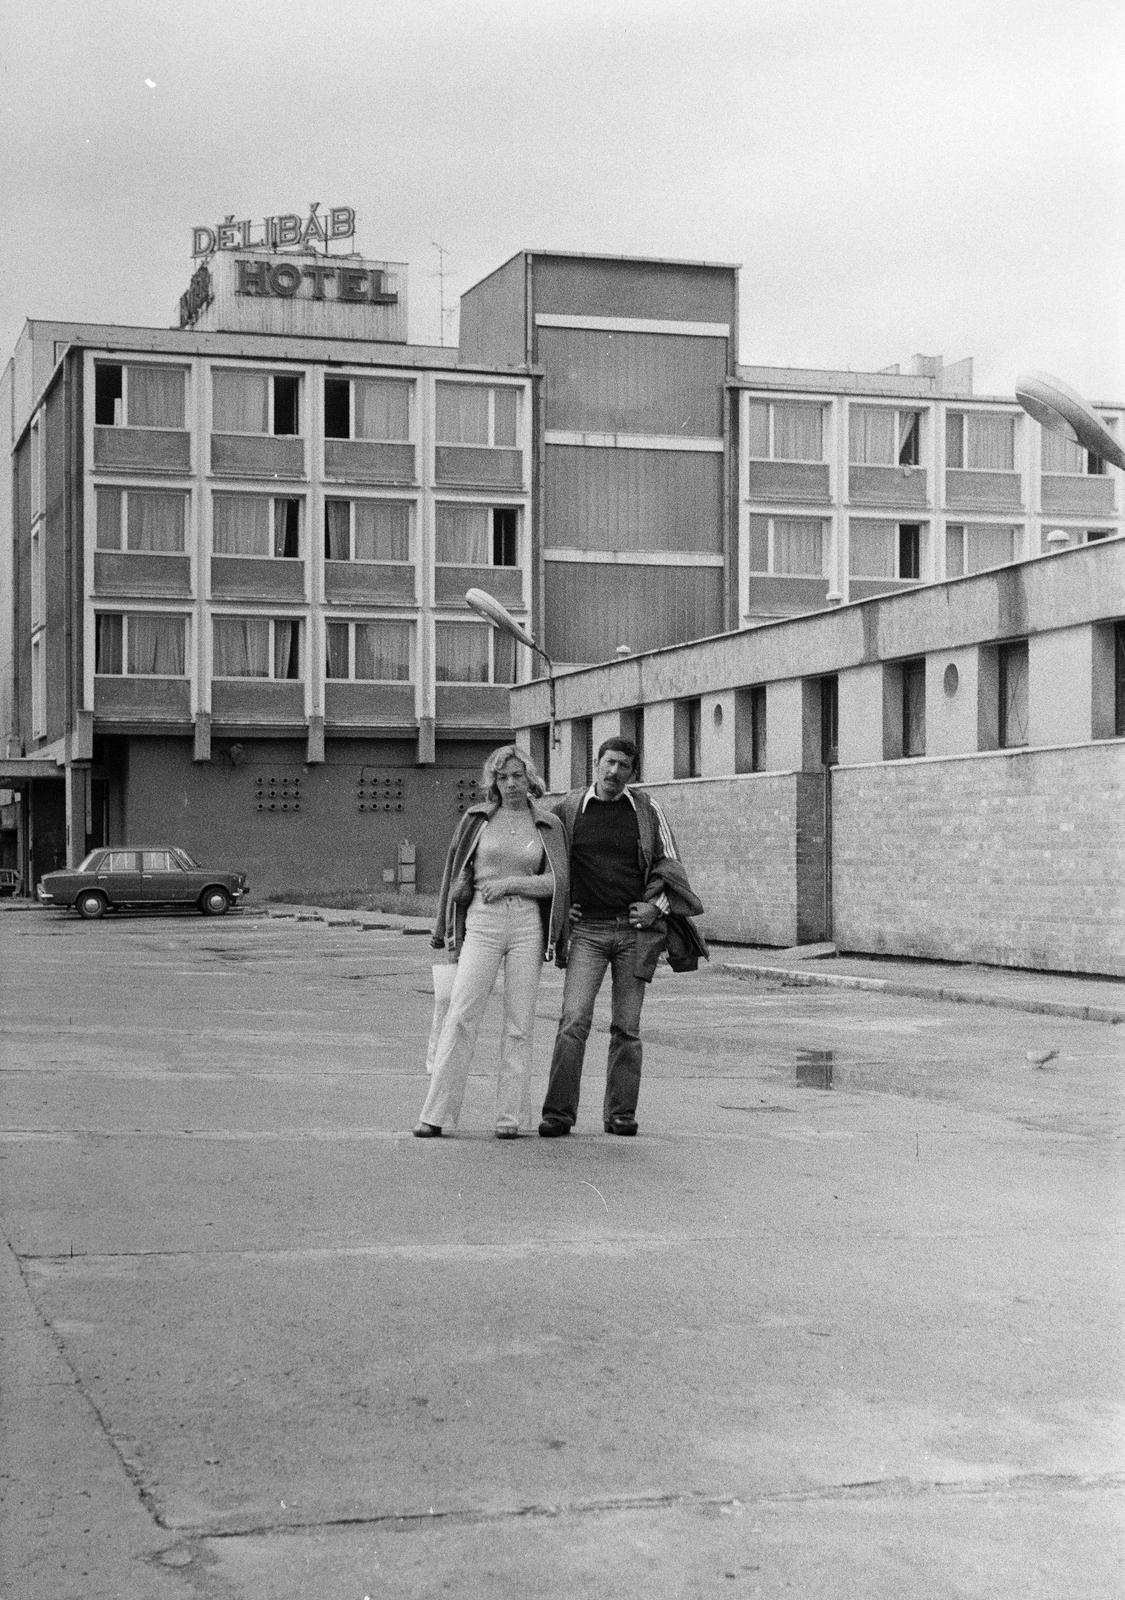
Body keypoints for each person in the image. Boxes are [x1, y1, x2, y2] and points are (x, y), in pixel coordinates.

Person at [538, 737, 706, 1139]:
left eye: (624, 766)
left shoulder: (648, 811)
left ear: (633, 772)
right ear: (596, 764)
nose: (614, 772)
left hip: (636, 934)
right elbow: (547, 865)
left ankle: (620, 1114)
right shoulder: (567, 811)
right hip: (588, 934)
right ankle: (558, 1114)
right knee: (573, 1021)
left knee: (627, 1028)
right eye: (609, 763)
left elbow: (672, 866)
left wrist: (657, 908)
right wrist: (564, 907)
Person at [414, 745, 568, 1139]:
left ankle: (509, 1119)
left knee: (519, 1025)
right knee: (461, 1015)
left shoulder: (547, 823)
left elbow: (557, 882)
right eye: (502, 777)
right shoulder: (477, 819)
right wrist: (445, 931)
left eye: (517, 776)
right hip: (481, 922)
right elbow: (454, 875)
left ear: (530, 778)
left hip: (527, 925)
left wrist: (512, 884)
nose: (511, 784)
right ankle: (435, 1115)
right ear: (493, 782)